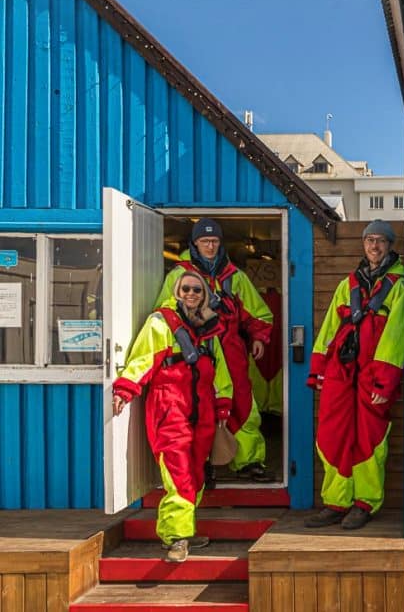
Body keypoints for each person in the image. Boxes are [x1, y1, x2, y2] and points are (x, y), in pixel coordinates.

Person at [112, 272, 232, 563]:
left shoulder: (210, 329)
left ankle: (184, 530)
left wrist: (223, 404)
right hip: (169, 406)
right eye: (185, 288)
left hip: (202, 410)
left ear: (205, 296)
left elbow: (219, 370)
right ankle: (177, 538)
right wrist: (125, 389)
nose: (191, 294)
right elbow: (143, 358)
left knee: (196, 472)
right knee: (179, 473)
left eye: (197, 290)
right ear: (177, 292)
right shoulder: (160, 322)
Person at [155, 218, 275, 482]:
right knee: (198, 406)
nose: (210, 246)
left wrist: (258, 336)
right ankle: (201, 464)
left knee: (243, 404)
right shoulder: (179, 275)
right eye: (205, 241)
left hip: (231, 351)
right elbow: (165, 311)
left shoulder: (235, 277)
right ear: (195, 243)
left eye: (214, 241)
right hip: (195, 350)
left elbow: (258, 313)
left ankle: (249, 461)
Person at [304, 220, 404, 530]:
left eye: (380, 240)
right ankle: (336, 501)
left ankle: (364, 502)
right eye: (369, 240)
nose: (374, 246)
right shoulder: (348, 284)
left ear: (390, 246)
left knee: (369, 439)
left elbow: (396, 336)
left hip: (373, 374)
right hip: (341, 371)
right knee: (332, 434)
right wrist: (318, 369)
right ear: (363, 245)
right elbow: (329, 329)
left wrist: (384, 381)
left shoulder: (399, 286)